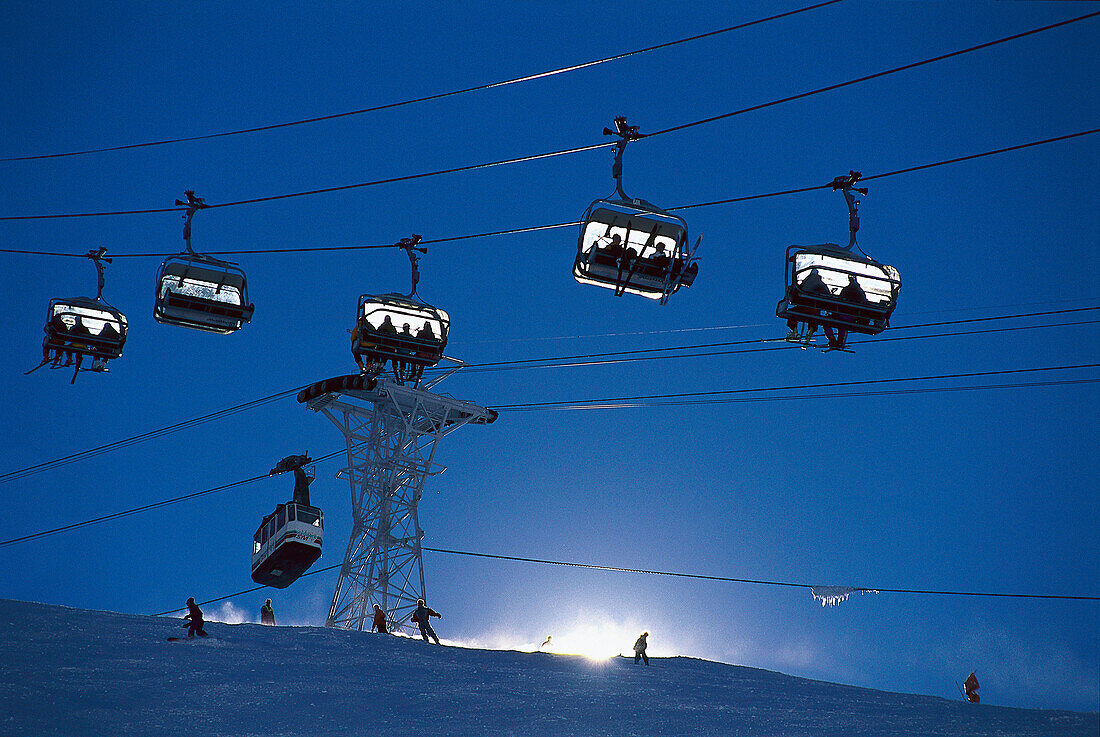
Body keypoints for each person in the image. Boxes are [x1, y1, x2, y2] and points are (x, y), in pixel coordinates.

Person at [832, 274, 868, 349]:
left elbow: (840, 299)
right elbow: (864, 302)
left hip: (843, 314)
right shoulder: (859, 291)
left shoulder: (846, 290)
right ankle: (839, 340)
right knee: (843, 326)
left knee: (838, 324)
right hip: (853, 316)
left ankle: (833, 339)